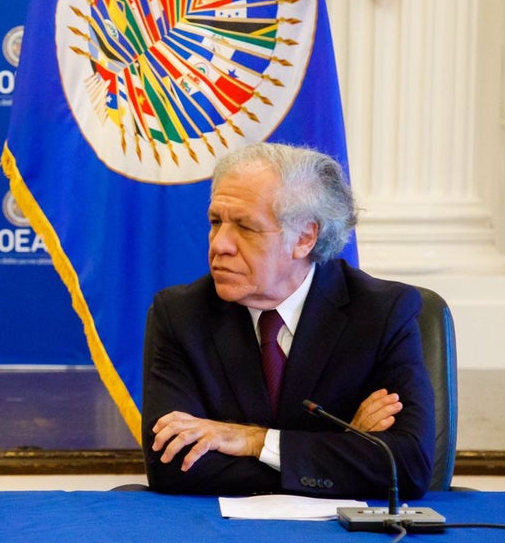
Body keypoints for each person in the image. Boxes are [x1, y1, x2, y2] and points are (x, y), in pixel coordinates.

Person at [142, 142, 434, 498]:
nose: (220, 245)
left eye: (245, 228)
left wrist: (252, 440)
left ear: (305, 238)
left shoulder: (381, 313)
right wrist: (337, 451)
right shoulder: (181, 315)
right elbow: (173, 467)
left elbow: (407, 466)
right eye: (216, 222)